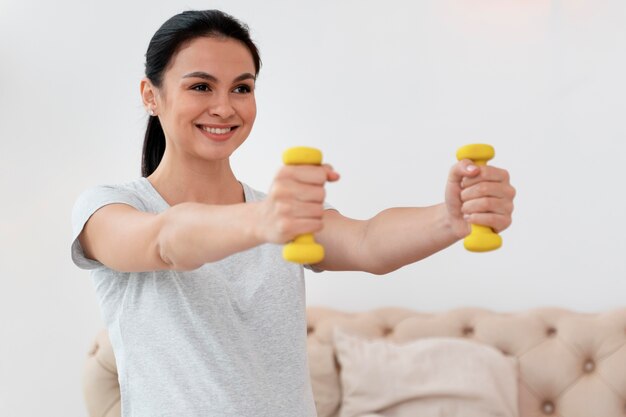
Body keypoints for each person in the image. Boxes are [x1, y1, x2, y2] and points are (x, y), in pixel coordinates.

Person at [71, 9, 515, 417]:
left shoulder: (280, 215)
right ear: (151, 95)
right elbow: (165, 242)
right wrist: (264, 222)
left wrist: (450, 219)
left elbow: (367, 243)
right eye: (201, 86)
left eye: (241, 88)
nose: (224, 107)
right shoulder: (110, 208)